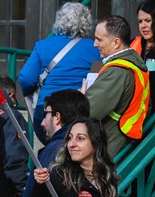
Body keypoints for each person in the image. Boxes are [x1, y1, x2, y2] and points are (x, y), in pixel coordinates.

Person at [18, 2, 100, 145]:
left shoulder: (43, 46)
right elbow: (97, 79)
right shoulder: (95, 49)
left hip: (46, 110)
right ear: (87, 22)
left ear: (59, 20)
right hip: (77, 110)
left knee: (52, 148)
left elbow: (26, 78)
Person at [86, 15, 150, 157]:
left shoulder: (117, 71)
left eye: (99, 40)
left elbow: (89, 110)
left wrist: (82, 97)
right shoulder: (135, 64)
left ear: (116, 43)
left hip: (110, 145)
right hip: (120, 141)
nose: (95, 44)